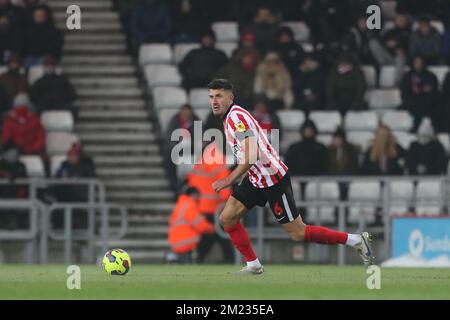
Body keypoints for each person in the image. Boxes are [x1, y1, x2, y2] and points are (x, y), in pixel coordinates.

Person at [207, 78, 374, 274]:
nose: (214, 101)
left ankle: (355, 240)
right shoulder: (229, 118)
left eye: (219, 96)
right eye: (211, 97)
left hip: (272, 179)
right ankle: (253, 264)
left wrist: (229, 179)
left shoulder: (237, 118)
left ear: (230, 97)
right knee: (227, 218)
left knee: (298, 233)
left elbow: (251, 155)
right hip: (256, 178)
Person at [186, 142, 234, 264]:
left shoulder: (202, 160)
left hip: (201, 207)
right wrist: (228, 203)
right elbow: (224, 187)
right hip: (214, 208)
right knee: (221, 237)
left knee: (211, 237)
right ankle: (229, 260)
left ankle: (198, 259)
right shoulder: (217, 159)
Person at [167, 186, 215, 264]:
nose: (199, 199)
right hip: (186, 242)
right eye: (198, 196)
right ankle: (199, 260)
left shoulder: (181, 205)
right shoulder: (190, 206)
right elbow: (202, 226)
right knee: (210, 236)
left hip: (176, 242)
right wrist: (213, 229)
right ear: (194, 195)